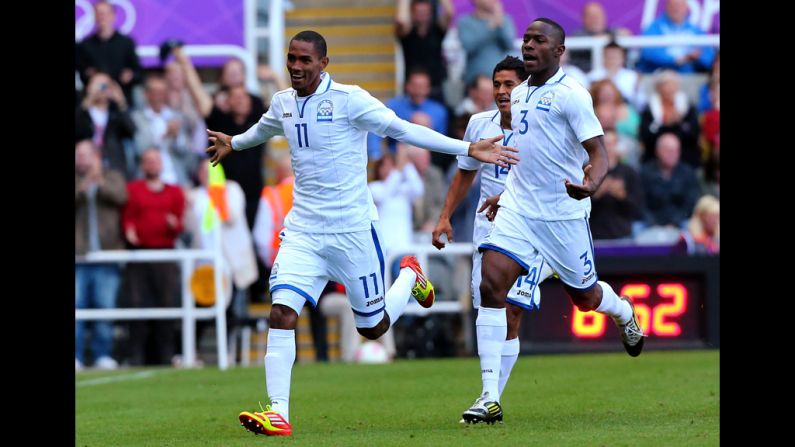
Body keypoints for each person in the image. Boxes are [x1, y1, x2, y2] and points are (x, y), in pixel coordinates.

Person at [204, 31, 518, 437]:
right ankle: (278, 411)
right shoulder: (283, 102)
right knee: (281, 312)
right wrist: (235, 142)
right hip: (303, 232)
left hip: (353, 232)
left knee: (373, 328)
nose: (296, 67)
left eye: (304, 60)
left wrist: (467, 148)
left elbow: (403, 130)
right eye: (291, 59)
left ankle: (410, 277)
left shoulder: (351, 100)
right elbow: (264, 130)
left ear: (324, 63)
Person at [461, 18, 645, 424]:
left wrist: (591, 182)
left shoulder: (573, 95)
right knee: (491, 284)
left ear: (559, 51)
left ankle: (623, 312)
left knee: (585, 298)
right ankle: (488, 396)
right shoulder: (521, 92)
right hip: (519, 210)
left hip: (563, 215)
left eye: (538, 40)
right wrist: (505, 195)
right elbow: (529, 156)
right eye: (526, 39)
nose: (528, 45)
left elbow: (598, 152)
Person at [431, 56, 554, 410]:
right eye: (497, 84)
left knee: (512, 310)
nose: (501, 91)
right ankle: (490, 395)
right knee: (489, 303)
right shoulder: (478, 124)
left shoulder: (543, 125)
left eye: (509, 84)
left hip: (531, 225)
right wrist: (445, 217)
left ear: (525, 87)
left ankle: (489, 396)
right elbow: (465, 172)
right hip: (489, 225)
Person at [75, 140, 128, 371]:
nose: (81, 159)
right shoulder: (78, 180)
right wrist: (84, 186)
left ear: (96, 156)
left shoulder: (112, 175)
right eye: (78, 155)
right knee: (77, 307)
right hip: (79, 256)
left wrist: (101, 182)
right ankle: (76, 356)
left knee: (104, 307)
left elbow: (121, 197)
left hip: (107, 256)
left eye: (85, 154)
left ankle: (103, 354)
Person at [75, 0, 142, 105]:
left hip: (121, 99)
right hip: (95, 101)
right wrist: (89, 74)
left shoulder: (126, 43)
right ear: (94, 17)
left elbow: (138, 72)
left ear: (113, 16)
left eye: (105, 13)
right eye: (98, 13)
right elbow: (81, 72)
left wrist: (130, 76)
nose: (102, 17)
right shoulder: (84, 45)